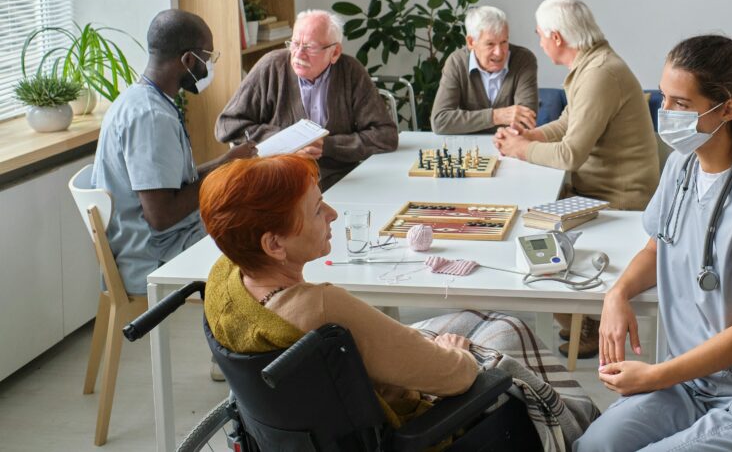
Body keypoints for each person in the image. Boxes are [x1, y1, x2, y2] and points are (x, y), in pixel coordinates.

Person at [200, 154, 598, 445]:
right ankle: (581, 427)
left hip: (325, 422)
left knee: (478, 316)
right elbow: (456, 377)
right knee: (508, 328)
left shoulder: (226, 280)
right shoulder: (321, 309)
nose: (334, 215)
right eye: (318, 209)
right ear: (274, 244)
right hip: (417, 428)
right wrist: (454, 353)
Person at [575, 33, 732, 452]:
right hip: (692, 386)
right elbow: (657, 247)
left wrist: (655, 375)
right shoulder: (680, 167)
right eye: (662, 97)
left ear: (727, 108)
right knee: (595, 446)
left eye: (681, 103)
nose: (665, 112)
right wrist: (617, 293)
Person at [493, 0, 660, 359]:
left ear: (555, 37)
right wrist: (530, 137)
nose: (538, 41)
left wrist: (520, 150)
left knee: (532, 227)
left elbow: (570, 153)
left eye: (539, 34)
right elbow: (571, 122)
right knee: (531, 217)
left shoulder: (600, 73)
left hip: (619, 196)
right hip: (600, 186)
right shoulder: (593, 64)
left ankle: (581, 324)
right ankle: (579, 320)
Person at [92, 9, 256, 298]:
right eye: (207, 58)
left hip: (162, 241)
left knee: (251, 216)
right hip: (155, 258)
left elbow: (175, 185)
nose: (208, 67)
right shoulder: (151, 118)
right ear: (188, 60)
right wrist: (222, 170)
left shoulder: (141, 99)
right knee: (262, 240)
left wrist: (228, 162)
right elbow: (162, 215)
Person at [215, 9, 398, 191]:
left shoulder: (350, 72)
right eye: (294, 44)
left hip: (340, 181)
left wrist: (328, 146)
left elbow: (385, 135)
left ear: (334, 52)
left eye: (309, 47)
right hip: (280, 181)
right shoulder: (271, 66)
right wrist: (288, 143)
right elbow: (227, 125)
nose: (298, 54)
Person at [430, 5, 538, 134]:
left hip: (509, 146)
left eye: (504, 42)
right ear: (471, 42)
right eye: (490, 44)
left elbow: (525, 121)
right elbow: (440, 121)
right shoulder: (456, 63)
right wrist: (496, 116)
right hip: (469, 148)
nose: (499, 52)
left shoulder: (523, 59)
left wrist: (467, 122)